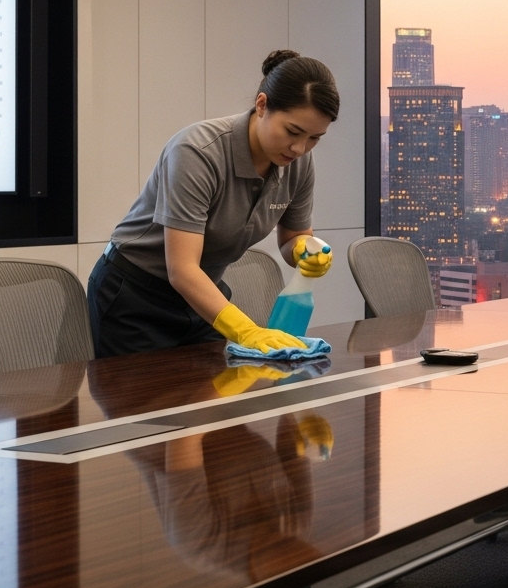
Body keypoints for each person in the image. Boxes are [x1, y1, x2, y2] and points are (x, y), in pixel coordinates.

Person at [88, 50, 337, 358]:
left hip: (202, 294)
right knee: (144, 404)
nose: (300, 148)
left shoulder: (298, 162)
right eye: (293, 132)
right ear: (262, 105)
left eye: (315, 138)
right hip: (136, 295)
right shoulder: (197, 151)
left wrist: (304, 250)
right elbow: (182, 269)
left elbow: (291, 237)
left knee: (217, 398)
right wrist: (247, 330)